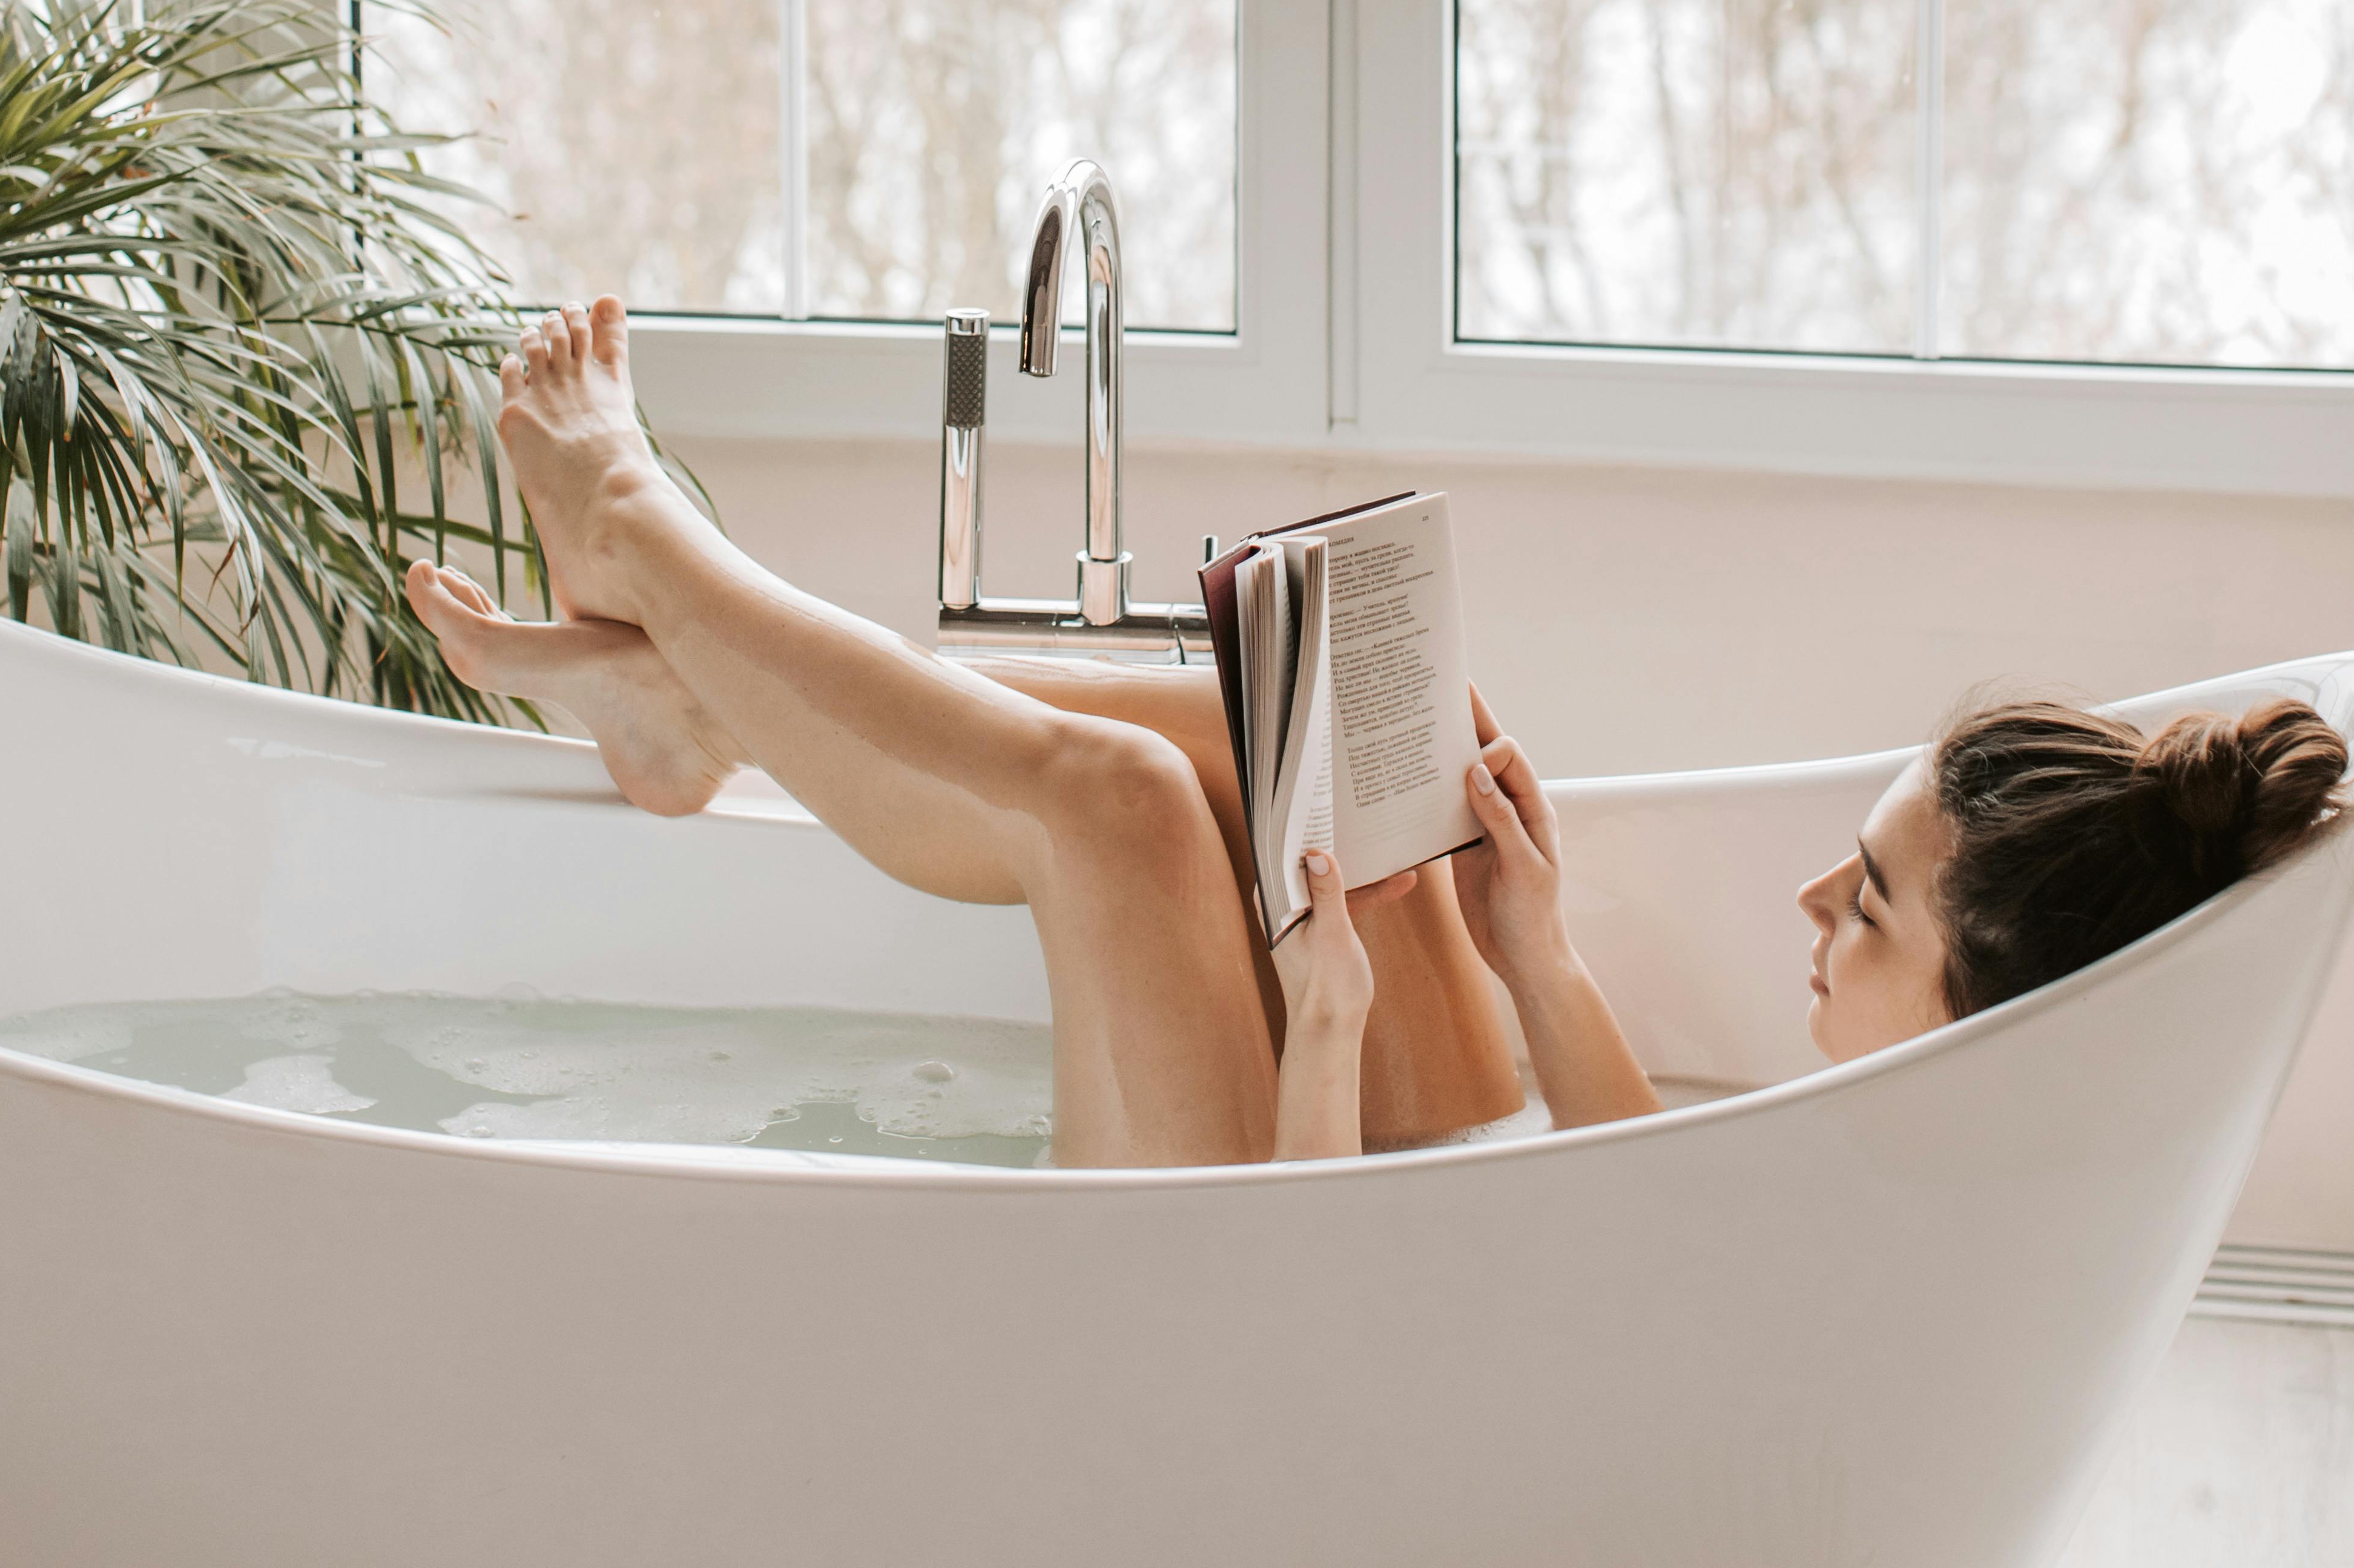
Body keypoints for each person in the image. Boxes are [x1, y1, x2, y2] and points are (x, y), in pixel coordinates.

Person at [407, 299, 2347, 1170]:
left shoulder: (1909, 1203)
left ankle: (651, 543)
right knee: (1355, 756)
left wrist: (1325, 1034)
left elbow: (1355, 1340)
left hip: (1241, 1319)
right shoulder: (1916, 1133)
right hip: (1401, 1215)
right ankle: (693, 715)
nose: (1806, 898)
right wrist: (1530, 947)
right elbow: (1627, 1194)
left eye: (1865, 912)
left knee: (1113, 805)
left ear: (1984, 1006)